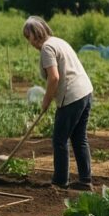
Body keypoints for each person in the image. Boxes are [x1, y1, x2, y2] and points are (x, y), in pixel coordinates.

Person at [22, 16, 94, 191]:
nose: (29, 41)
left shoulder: (47, 48)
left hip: (71, 96)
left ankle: (60, 182)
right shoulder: (57, 41)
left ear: (35, 34)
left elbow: (54, 77)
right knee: (79, 138)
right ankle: (85, 180)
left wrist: (46, 101)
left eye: (28, 36)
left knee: (60, 140)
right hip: (85, 92)